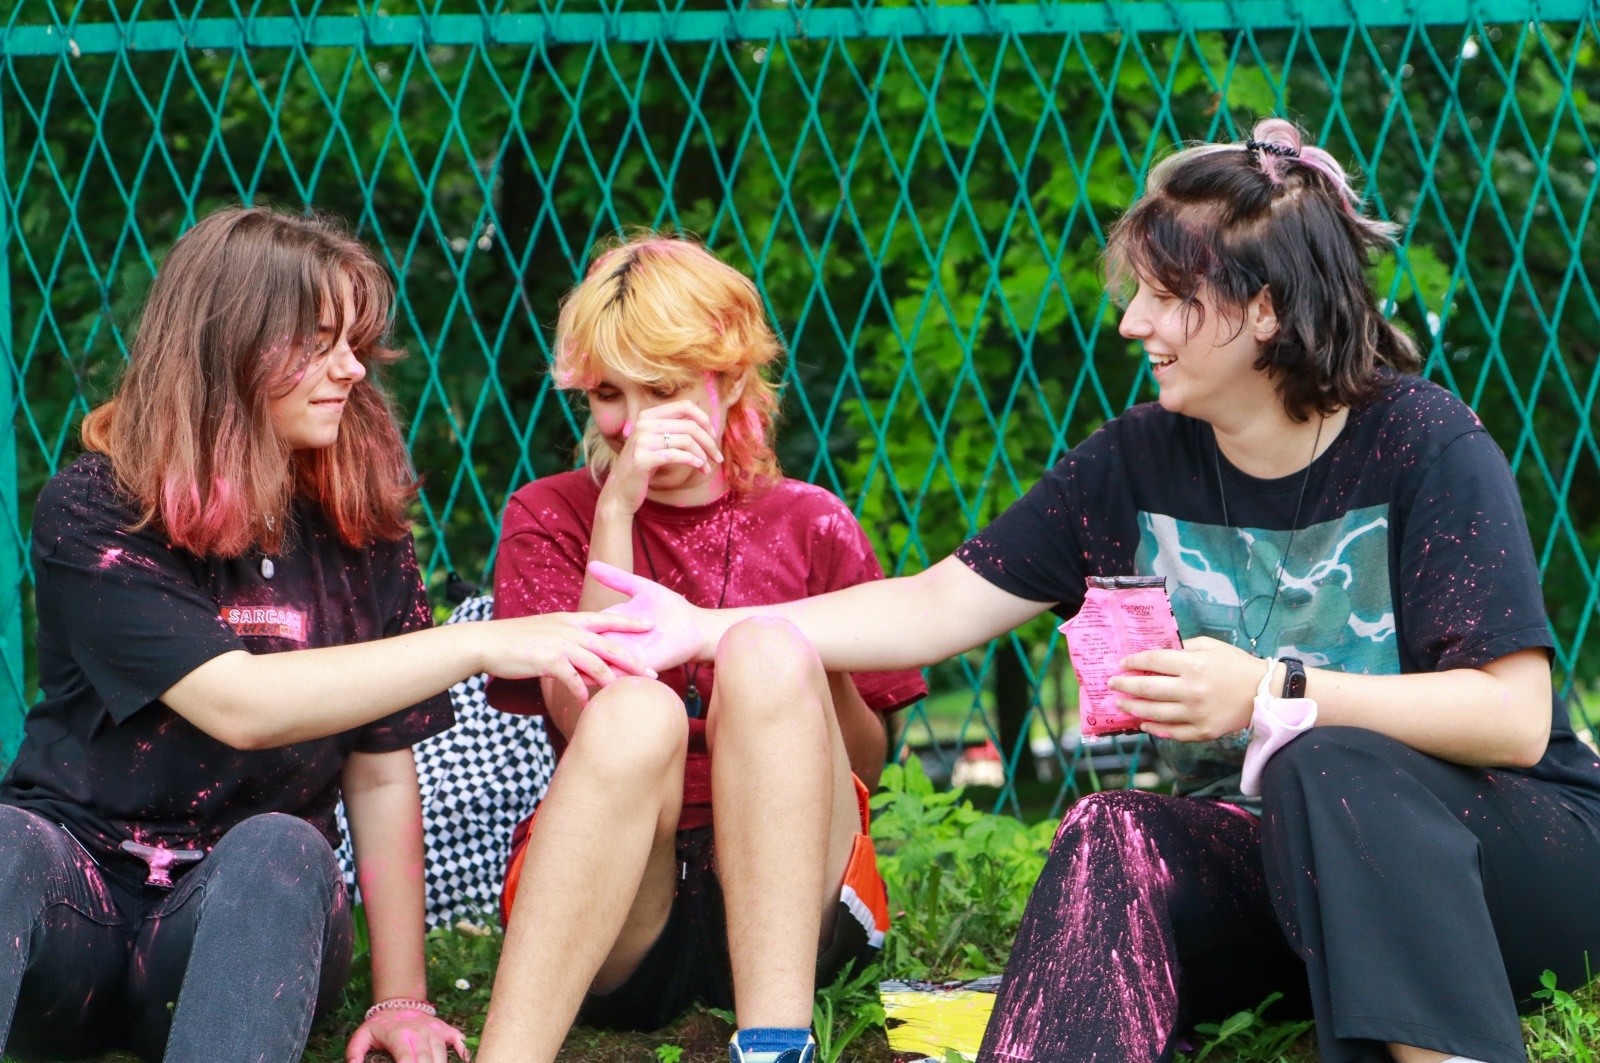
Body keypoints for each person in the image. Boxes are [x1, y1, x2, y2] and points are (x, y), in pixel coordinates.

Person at [589, 121, 1600, 1063]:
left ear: (1261, 311)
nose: (1130, 323)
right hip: (1298, 866)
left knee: (1322, 752)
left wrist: (1269, 690)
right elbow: (934, 604)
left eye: (1165, 296)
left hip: (1511, 856)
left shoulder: (1424, 444)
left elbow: (1510, 718)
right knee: (1111, 825)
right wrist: (702, 626)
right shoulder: (1132, 464)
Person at [0, 206, 653, 1063]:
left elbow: (381, 772)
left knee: (282, 846)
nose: (351, 368)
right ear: (228, 346)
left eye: (355, 342)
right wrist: (480, 642)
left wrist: (403, 997)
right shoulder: (97, 510)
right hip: (73, 901)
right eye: (318, 342)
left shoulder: (361, 527)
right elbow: (239, 704)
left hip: (241, 917)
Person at [474, 233, 926, 1063]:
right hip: (622, 905)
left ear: (730, 377)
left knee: (765, 649)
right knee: (636, 707)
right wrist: (617, 510)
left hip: (794, 899)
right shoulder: (550, 512)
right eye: (610, 393)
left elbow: (866, 760)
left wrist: (798, 661)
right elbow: (577, 718)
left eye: (666, 389)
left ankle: (778, 1045)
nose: (635, 423)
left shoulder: (811, 519)